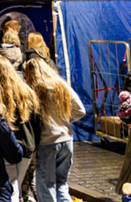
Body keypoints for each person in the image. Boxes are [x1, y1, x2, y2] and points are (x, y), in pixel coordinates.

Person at [24, 58, 85, 202]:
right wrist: (63, 120)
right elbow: (80, 110)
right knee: (61, 185)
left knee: (46, 187)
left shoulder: (33, 90)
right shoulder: (61, 86)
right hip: (67, 139)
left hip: (47, 143)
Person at [0, 54, 41, 202]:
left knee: (9, 186)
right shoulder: (27, 92)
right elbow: (37, 121)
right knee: (15, 185)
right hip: (27, 146)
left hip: (6, 146)